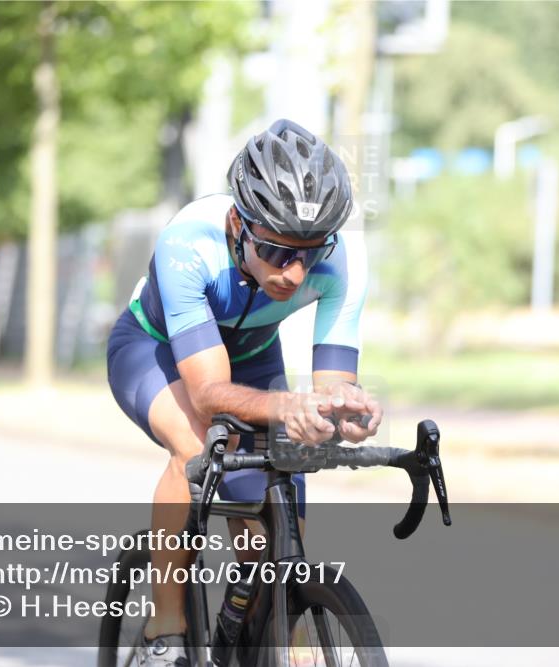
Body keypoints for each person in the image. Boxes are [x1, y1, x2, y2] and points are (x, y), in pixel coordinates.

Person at [107, 118, 382, 666]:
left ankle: (275, 624)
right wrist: (286, 405)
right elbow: (207, 392)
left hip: (253, 357)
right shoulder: (190, 241)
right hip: (156, 350)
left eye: (311, 252)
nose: (295, 273)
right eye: (278, 252)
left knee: (285, 472)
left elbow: (330, 389)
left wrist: (345, 413)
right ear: (239, 223)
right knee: (197, 448)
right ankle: (166, 630)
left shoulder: (344, 261)